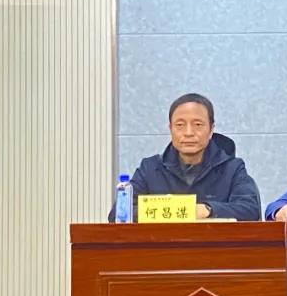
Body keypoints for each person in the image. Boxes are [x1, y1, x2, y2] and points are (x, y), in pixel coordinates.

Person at [110, 93, 261, 221]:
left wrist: (208, 209)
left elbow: (250, 210)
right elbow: (118, 214)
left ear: (211, 130)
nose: (189, 133)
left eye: (198, 125)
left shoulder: (232, 168)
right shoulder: (150, 168)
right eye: (180, 125)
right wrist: (171, 210)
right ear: (170, 129)